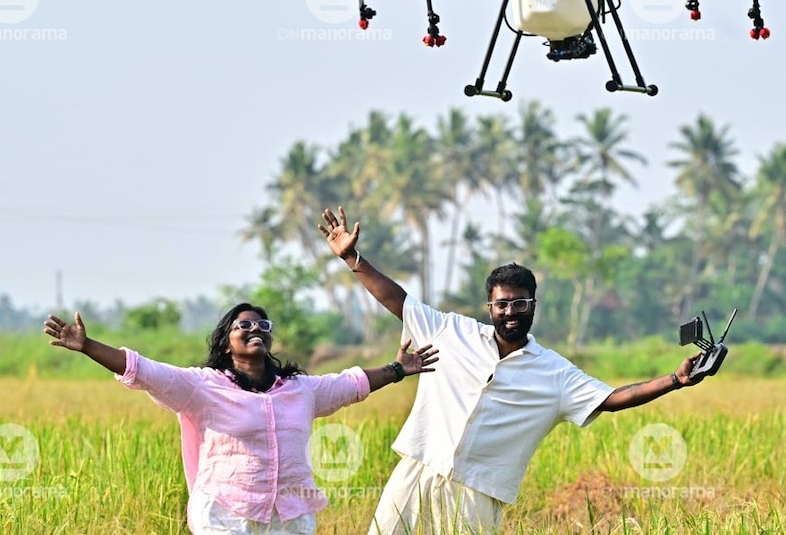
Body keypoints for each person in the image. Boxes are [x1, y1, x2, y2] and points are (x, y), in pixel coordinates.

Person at [317, 207, 709, 535]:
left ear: (532, 306)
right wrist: (353, 259)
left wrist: (674, 380)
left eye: (519, 304)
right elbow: (398, 301)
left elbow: (611, 398)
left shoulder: (554, 372)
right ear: (490, 307)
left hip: (477, 493)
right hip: (418, 471)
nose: (510, 312)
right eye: (502, 304)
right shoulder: (452, 331)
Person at [42, 302, 439, 535]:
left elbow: (351, 384)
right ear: (227, 341)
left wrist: (397, 369)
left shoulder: (299, 390)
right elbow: (143, 370)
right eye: (244, 325)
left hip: (289, 516)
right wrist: (88, 346)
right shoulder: (203, 387)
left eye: (262, 325)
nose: (255, 329)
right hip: (226, 515)